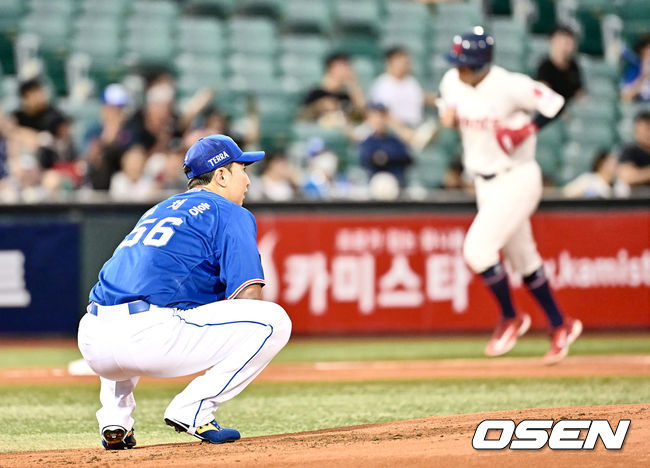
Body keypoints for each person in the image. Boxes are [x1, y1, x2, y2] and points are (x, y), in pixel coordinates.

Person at [77, 134, 292, 449]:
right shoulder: (229, 211)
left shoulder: (159, 209)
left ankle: (115, 420)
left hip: (92, 339)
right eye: (242, 168)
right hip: (149, 337)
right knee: (273, 321)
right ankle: (195, 408)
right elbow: (248, 296)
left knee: (126, 304)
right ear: (221, 175)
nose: (247, 180)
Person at [438, 27, 582, 364]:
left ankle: (511, 317)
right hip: (484, 182)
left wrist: (529, 128)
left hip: (517, 177)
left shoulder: (509, 84)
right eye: (457, 63)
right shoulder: (451, 81)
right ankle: (561, 324)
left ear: (481, 63)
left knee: (477, 250)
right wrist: (446, 116)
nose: (459, 69)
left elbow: (555, 103)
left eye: (465, 63)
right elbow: (447, 106)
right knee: (523, 259)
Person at [82, 84, 134, 190]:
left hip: (125, 179)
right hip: (97, 179)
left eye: (119, 109)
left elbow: (134, 154)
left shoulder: (130, 130)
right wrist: (107, 138)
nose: (115, 113)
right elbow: (86, 158)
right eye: (111, 108)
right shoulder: (93, 130)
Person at [301, 52, 366, 125]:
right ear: (330, 69)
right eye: (343, 66)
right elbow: (302, 118)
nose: (347, 70)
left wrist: (354, 85)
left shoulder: (345, 96)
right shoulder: (316, 93)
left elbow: (362, 115)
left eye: (348, 66)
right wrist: (319, 107)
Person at [359, 103, 413, 187]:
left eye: (381, 117)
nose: (378, 120)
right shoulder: (367, 142)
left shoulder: (394, 141)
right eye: (375, 117)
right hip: (374, 182)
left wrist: (387, 156)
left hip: (396, 181)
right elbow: (368, 159)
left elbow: (407, 159)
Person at [536, 25, 583, 110]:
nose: (566, 47)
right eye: (563, 42)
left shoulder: (573, 66)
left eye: (569, 43)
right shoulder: (545, 66)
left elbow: (579, 93)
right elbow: (544, 93)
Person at [617, 110, 650, 187]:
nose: (648, 133)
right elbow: (628, 177)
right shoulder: (630, 150)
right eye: (646, 129)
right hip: (639, 197)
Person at [620, 35, 650, 103]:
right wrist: (643, 77)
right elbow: (625, 96)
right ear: (642, 52)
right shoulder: (633, 70)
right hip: (641, 109)